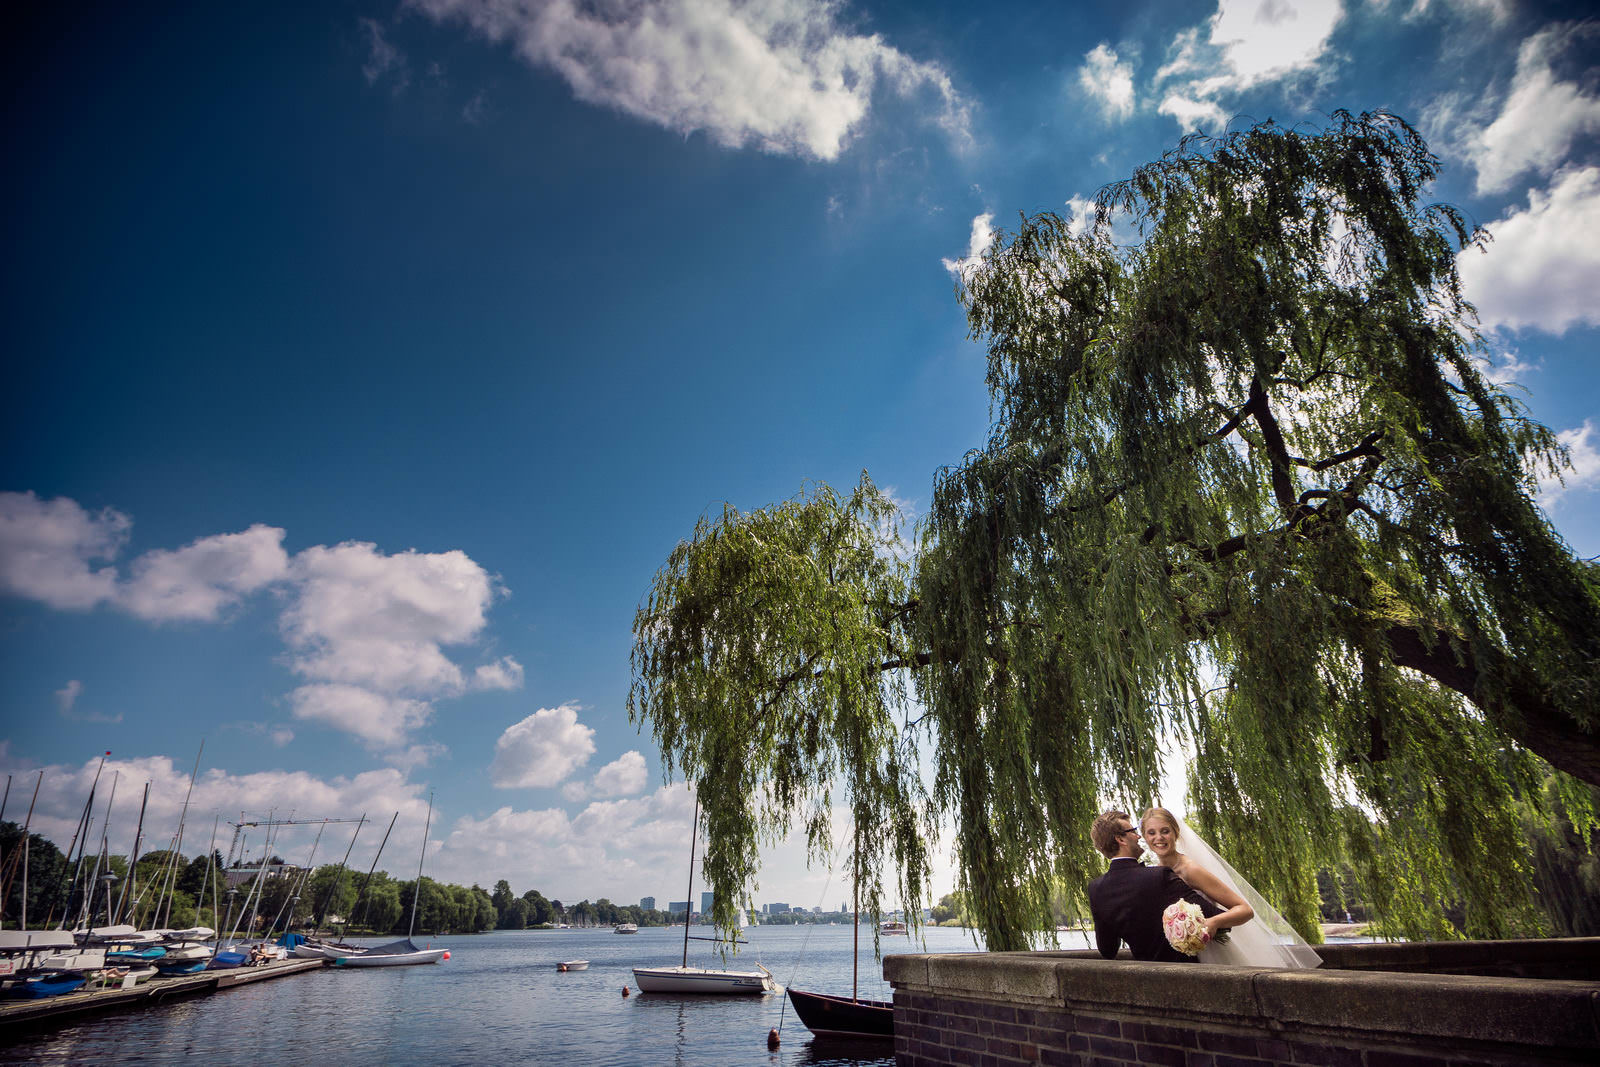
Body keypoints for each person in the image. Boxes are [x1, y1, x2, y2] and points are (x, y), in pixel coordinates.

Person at [1139, 806, 1322, 969]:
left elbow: (1245, 910)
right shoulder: (1155, 873)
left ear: (1176, 832)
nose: (1159, 838)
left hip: (1213, 953)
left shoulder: (1190, 869)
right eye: (1151, 833)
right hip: (1182, 957)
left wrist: (1213, 923)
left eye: (1165, 831)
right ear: (1145, 838)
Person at [1087, 809, 1219, 962]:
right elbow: (1212, 914)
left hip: (1144, 973)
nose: (1138, 836)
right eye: (1133, 831)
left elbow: (1108, 950)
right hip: (1185, 970)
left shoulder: (1095, 888)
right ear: (1121, 839)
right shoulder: (1159, 876)